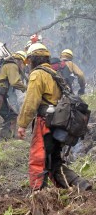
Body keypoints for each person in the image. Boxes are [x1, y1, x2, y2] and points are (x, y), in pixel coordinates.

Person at [17, 42, 92, 191]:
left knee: (38, 160)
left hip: (45, 124)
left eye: (29, 60)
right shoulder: (55, 74)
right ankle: (81, 185)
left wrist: (22, 125)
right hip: (59, 125)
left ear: (32, 59)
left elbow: (31, 102)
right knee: (54, 162)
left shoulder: (38, 74)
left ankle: (38, 194)